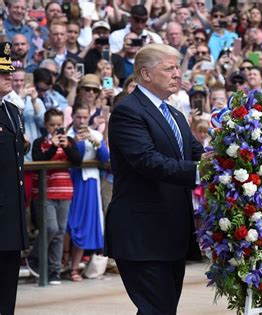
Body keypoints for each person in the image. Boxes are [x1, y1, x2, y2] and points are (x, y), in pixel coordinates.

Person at [106, 43, 211, 314]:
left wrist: (228, 154)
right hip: (141, 233)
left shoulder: (174, 113)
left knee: (163, 309)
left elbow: (197, 152)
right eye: (169, 68)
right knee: (157, 309)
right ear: (146, 74)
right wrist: (200, 170)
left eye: (177, 67)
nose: (177, 74)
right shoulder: (128, 111)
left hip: (171, 232)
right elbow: (147, 161)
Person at [27, 108, 82, 285]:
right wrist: (52, 145)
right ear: (45, 125)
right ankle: (34, 257)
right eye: (52, 125)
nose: (56, 128)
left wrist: (65, 146)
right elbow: (39, 159)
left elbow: (77, 160)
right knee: (50, 228)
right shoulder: (39, 142)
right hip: (44, 192)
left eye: (59, 125)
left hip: (65, 191)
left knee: (59, 232)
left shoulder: (69, 142)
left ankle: (54, 271)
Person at [66, 103, 110, 282]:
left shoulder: (96, 134)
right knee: (69, 223)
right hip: (72, 180)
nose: (82, 120)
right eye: (78, 117)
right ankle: (62, 260)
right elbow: (73, 157)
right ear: (73, 117)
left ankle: (74, 267)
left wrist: (96, 142)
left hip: (90, 182)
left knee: (84, 224)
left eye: (85, 117)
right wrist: (76, 141)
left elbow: (105, 158)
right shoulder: (67, 135)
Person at [0, 42, 28, 315]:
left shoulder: (11, 110)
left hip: (10, 213)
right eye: (1, 73)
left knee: (9, 281)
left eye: (9, 71)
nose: (8, 76)